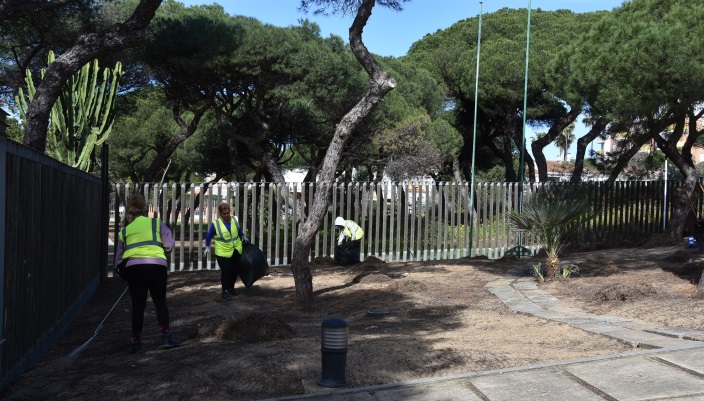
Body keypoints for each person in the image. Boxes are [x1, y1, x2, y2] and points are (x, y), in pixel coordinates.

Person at [115, 194, 180, 355]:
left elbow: (118, 260)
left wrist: (122, 271)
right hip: (156, 267)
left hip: (134, 270)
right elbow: (169, 245)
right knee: (160, 302)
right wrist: (164, 249)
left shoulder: (124, 232)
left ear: (130, 214)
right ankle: (166, 337)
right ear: (143, 211)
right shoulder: (156, 223)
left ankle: (136, 343)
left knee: (138, 306)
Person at [204, 203, 248, 300]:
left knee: (235, 270)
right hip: (223, 252)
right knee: (226, 271)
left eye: (228, 213)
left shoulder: (234, 220)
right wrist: (207, 246)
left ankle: (231, 288)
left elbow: (238, 230)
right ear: (220, 214)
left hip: (235, 250)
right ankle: (225, 291)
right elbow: (209, 235)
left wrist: (243, 236)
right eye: (224, 213)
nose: (227, 215)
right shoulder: (216, 224)